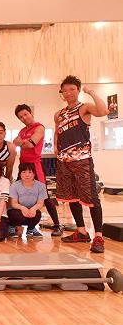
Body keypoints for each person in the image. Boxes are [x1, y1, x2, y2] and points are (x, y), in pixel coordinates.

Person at [55, 76, 109, 253]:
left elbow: (104, 111)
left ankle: (98, 236)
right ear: (62, 93)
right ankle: (81, 231)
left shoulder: (84, 108)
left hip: (82, 160)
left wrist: (91, 92)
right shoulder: (59, 114)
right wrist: (55, 147)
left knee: (91, 198)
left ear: (78, 90)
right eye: (65, 90)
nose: (68, 93)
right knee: (71, 197)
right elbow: (57, 132)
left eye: (72, 89)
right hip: (64, 161)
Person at [13, 103, 63, 236]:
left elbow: (30, 144)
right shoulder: (22, 131)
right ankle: (15, 226)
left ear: (31, 113)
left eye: (25, 114)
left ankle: (57, 225)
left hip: (35, 165)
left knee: (44, 196)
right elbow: (16, 142)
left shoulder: (39, 127)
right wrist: (24, 142)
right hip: (23, 165)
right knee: (16, 195)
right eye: (21, 117)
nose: (24, 118)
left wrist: (23, 142)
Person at [8, 163, 47, 238]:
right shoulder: (14, 186)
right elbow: (14, 203)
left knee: (37, 214)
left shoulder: (41, 186)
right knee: (16, 215)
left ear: (34, 174)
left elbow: (40, 203)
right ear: (20, 174)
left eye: (30, 172)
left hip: (31, 210)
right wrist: (23, 208)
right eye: (24, 172)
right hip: (17, 210)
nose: (27, 175)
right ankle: (12, 227)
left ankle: (31, 228)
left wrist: (33, 209)